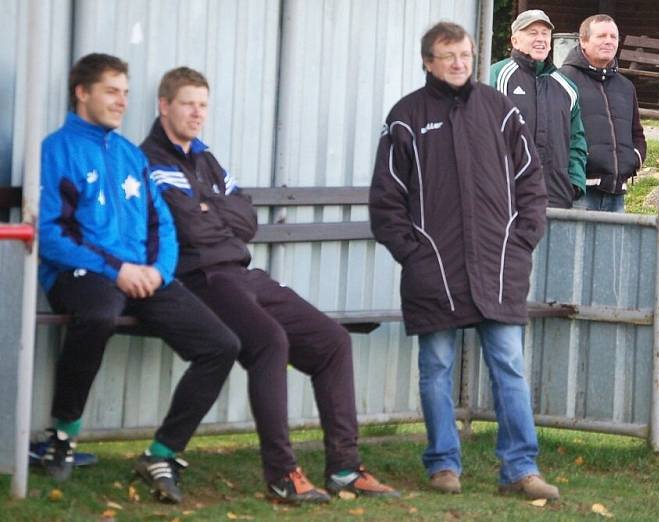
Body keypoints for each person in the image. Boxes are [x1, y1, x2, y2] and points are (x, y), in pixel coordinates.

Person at [140, 67, 399, 504]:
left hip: (242, 274)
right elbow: (189, 229)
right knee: (269, 342)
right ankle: (282, 473)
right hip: (199, 277)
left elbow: (248, 220)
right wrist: (215, 213)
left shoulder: (206, 158)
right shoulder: (151, 161)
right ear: (165, 105)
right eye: (188, 103)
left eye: (203, 104)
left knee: (332, 341)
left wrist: (209, 208)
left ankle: (344, 469)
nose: (197, 113)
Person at [37, 54, 241, 504]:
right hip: (83, 273)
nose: (122, 101)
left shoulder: (130, 154)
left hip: (144, 275)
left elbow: (161, 224)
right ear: (82, 93)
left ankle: (162, 451)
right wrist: (118, 270)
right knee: (100, 312)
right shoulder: (57, 148)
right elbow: (51, 233)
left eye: (126, 93)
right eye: (111, 91)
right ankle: (64, 433)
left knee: (221, 344)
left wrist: (157, 271)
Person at [369, 21, 559, 501]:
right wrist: (415, 257)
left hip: (499, 269)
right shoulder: (405, 117)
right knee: (435, 367)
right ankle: (442, 464)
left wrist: (522, 243)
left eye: (465, 55)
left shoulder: (499, 110)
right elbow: (386, 204)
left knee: (509, 367)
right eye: (448, 55)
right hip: (434, 274)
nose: (458, 63)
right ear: (427, 62)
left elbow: (531, 184)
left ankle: (521, 469)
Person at [490, 9, 587, 209]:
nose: (541, 39)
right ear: (514, 40)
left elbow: (577, 139)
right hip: (506, 199)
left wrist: (575, 183)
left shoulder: (566, 86)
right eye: (532, 33)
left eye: (545, 33)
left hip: (556, 197)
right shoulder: (497, 76)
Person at [561, 14, 647, 212]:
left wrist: (633, 159)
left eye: (613, 36)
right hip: (578, 193)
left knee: (614, 245)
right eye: (601, 36)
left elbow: (637, 133)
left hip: (617, 194)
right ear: (583, 41)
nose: (609, 41)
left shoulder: (626, 86)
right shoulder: (562, 80)